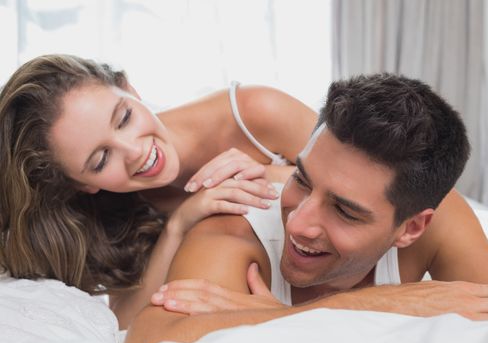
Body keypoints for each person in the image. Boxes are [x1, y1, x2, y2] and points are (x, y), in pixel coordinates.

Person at [124, 74, 488, 343]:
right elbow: (148, 337)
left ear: (412, 227)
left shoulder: (440, 219)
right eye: (302, 179)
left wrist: (276, 316)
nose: (299, 222)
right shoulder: (236, 225)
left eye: (345, 211)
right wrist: (367, 305)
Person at [0, 54, 317, 328]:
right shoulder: (116, 213)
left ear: (129, 88)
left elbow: (360, 183)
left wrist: (268, 173)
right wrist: (178, 225)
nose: (134, 151)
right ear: (84, 185)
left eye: (124, 118)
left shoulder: (256, 111)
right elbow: (123, 324)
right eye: (101, 159)